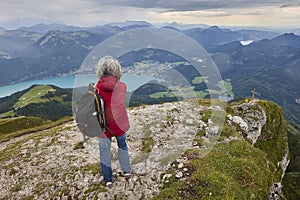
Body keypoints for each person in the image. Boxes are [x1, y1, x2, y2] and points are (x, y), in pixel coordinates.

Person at [95, 55, 131, 188]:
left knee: (104, 152)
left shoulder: (97, 88)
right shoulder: (122, 86)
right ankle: (126, 171)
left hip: (103, 126)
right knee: (123, 146)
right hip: (119, 124)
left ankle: (108, 179)